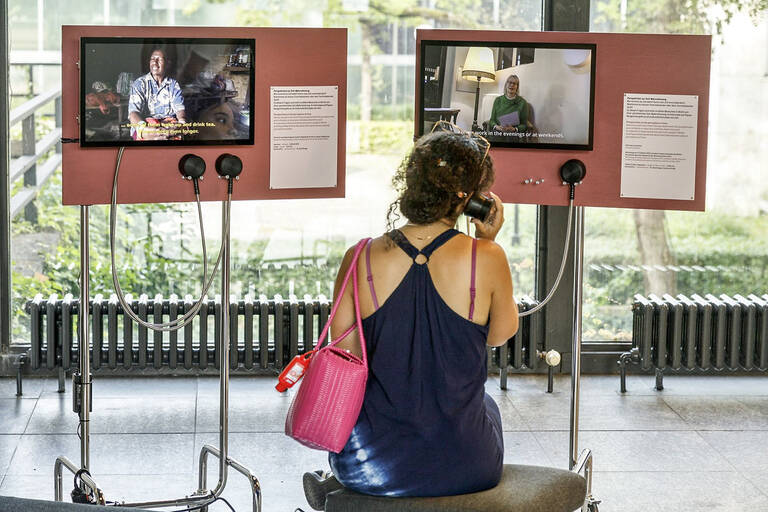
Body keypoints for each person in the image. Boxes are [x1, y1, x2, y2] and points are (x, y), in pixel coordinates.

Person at [304, 129, 519, 506]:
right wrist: (487, 242)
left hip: (369, 465)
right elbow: (500, 334)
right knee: (487, 406)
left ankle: (336, 485)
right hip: (469, 466)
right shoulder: (486, 257)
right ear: (469, 199)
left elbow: (344, 348)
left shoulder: (360, 257)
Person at [128, 48, 187, 140]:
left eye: (159, 59)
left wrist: (181, 122)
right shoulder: (139, 83)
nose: (155, 62)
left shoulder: (173, 84)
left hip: (168, 125)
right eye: (152, 59)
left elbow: (179, 108)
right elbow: (133, 113)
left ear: (167, 64)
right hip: (145, 125)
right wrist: (144, 130)